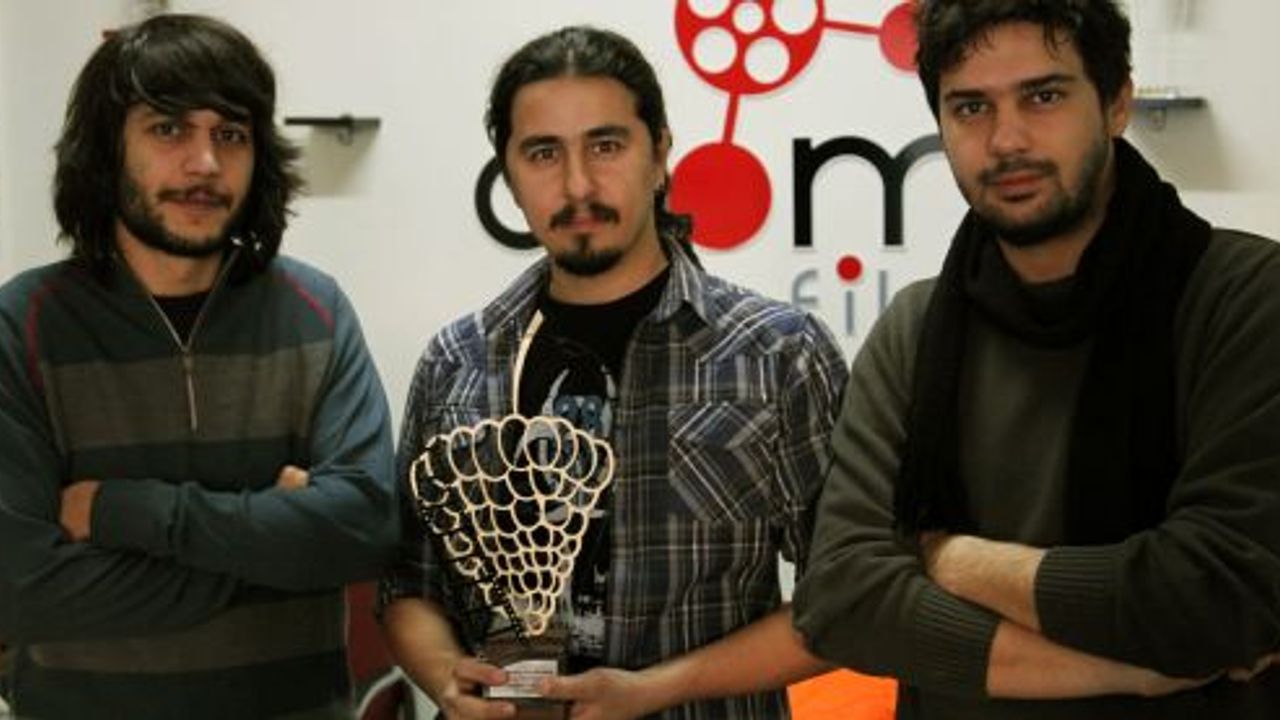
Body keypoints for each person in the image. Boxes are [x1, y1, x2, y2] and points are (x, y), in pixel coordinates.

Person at [792, 0, 1280, 717]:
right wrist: (1127, 671)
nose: (1006, 140)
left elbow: (1221, 595)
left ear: (1116, 103)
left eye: (1043, 96)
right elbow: (841, 600)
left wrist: (946, 557)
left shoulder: (1245, 297)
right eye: (970, 108)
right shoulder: (916, 331)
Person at [379, 25, 847, 720]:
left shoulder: (778, 354)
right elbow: (408, 585)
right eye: (543, 153)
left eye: (606, 145)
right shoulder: (456, 362)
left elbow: (846, 600)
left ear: (660, 154)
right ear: (509, 176)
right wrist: (448, 679)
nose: (577, 184)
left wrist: (657, 689)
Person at [0, 14, 398, 719]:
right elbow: (20, 589)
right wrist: (277, 545)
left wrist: (124, 511)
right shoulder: (24, 325)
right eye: (168, 129)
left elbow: (365, 531)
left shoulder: (316, 311)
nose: (206, 163)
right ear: (107, 150)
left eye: (231, 134)